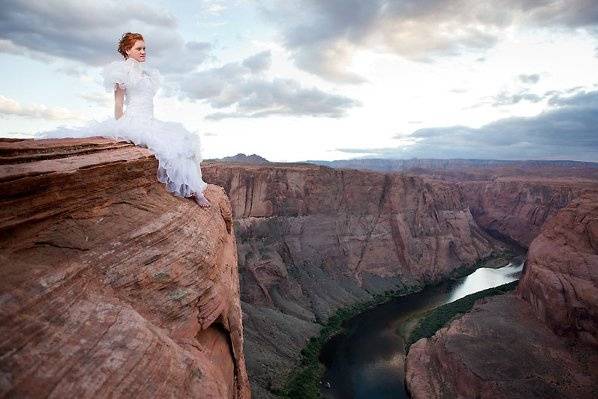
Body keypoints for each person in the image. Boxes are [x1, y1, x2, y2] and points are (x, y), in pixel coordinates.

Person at [35, 32, 210, 207]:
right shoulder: (121, 72)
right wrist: (121, 126)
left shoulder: (148, 73)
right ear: (127, 50)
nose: (143, 52)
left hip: (150, 120)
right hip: (135, 121)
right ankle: (194, 191)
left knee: (185, 140)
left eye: (144, 48)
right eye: (138, 48)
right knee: (170, 147)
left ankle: (195, 188)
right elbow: (118, 104)